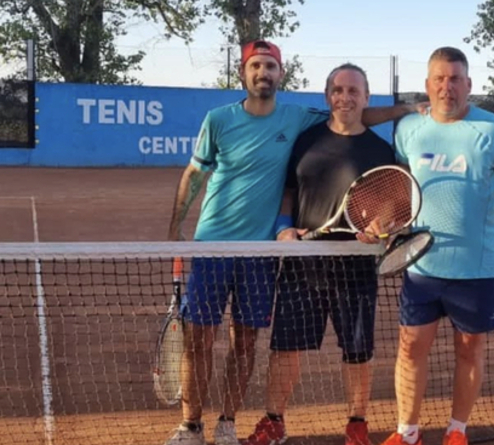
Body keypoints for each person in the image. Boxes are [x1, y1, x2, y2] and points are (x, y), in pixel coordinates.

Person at [165, 41, 419, 445]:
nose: (263, 72)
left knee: (258, 342)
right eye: (256, 65)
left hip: (307, 258)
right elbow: (209, 175)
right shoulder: (247, 123)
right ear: (244, 73)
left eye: (270, 66)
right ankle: (199, 425)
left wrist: (403, 110)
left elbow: (376, 162)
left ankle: (237, 422)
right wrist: (177, 230)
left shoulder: (337, 133)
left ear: (280, 73)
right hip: (246, 251)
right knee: (219, 340)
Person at [243, 63, 395, 445]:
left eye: (354, 91)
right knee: (285, 347)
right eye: (338, 90)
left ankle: (357, 426)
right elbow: (289, 191)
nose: (345, 98)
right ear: (328, 96)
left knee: (357, 350)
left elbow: (390, 201)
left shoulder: (380, 149)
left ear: (366, 97)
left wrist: (379, 225)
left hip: (355, 266)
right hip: (302, 263)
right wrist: (283, 227)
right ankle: (274, 423)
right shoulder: (305, 140)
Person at [381, 47, 494, 445]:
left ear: (469, 85)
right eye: (439, 79)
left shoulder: (493, 130)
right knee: (410, 348)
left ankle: (456, 430)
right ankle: (407, 432)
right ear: (428, 85)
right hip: (422, 266)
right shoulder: (410, 128)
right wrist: (390, 219)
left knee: (470, 349)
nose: (447, 87)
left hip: (477, 269)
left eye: (455, 79)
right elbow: (401, 180)